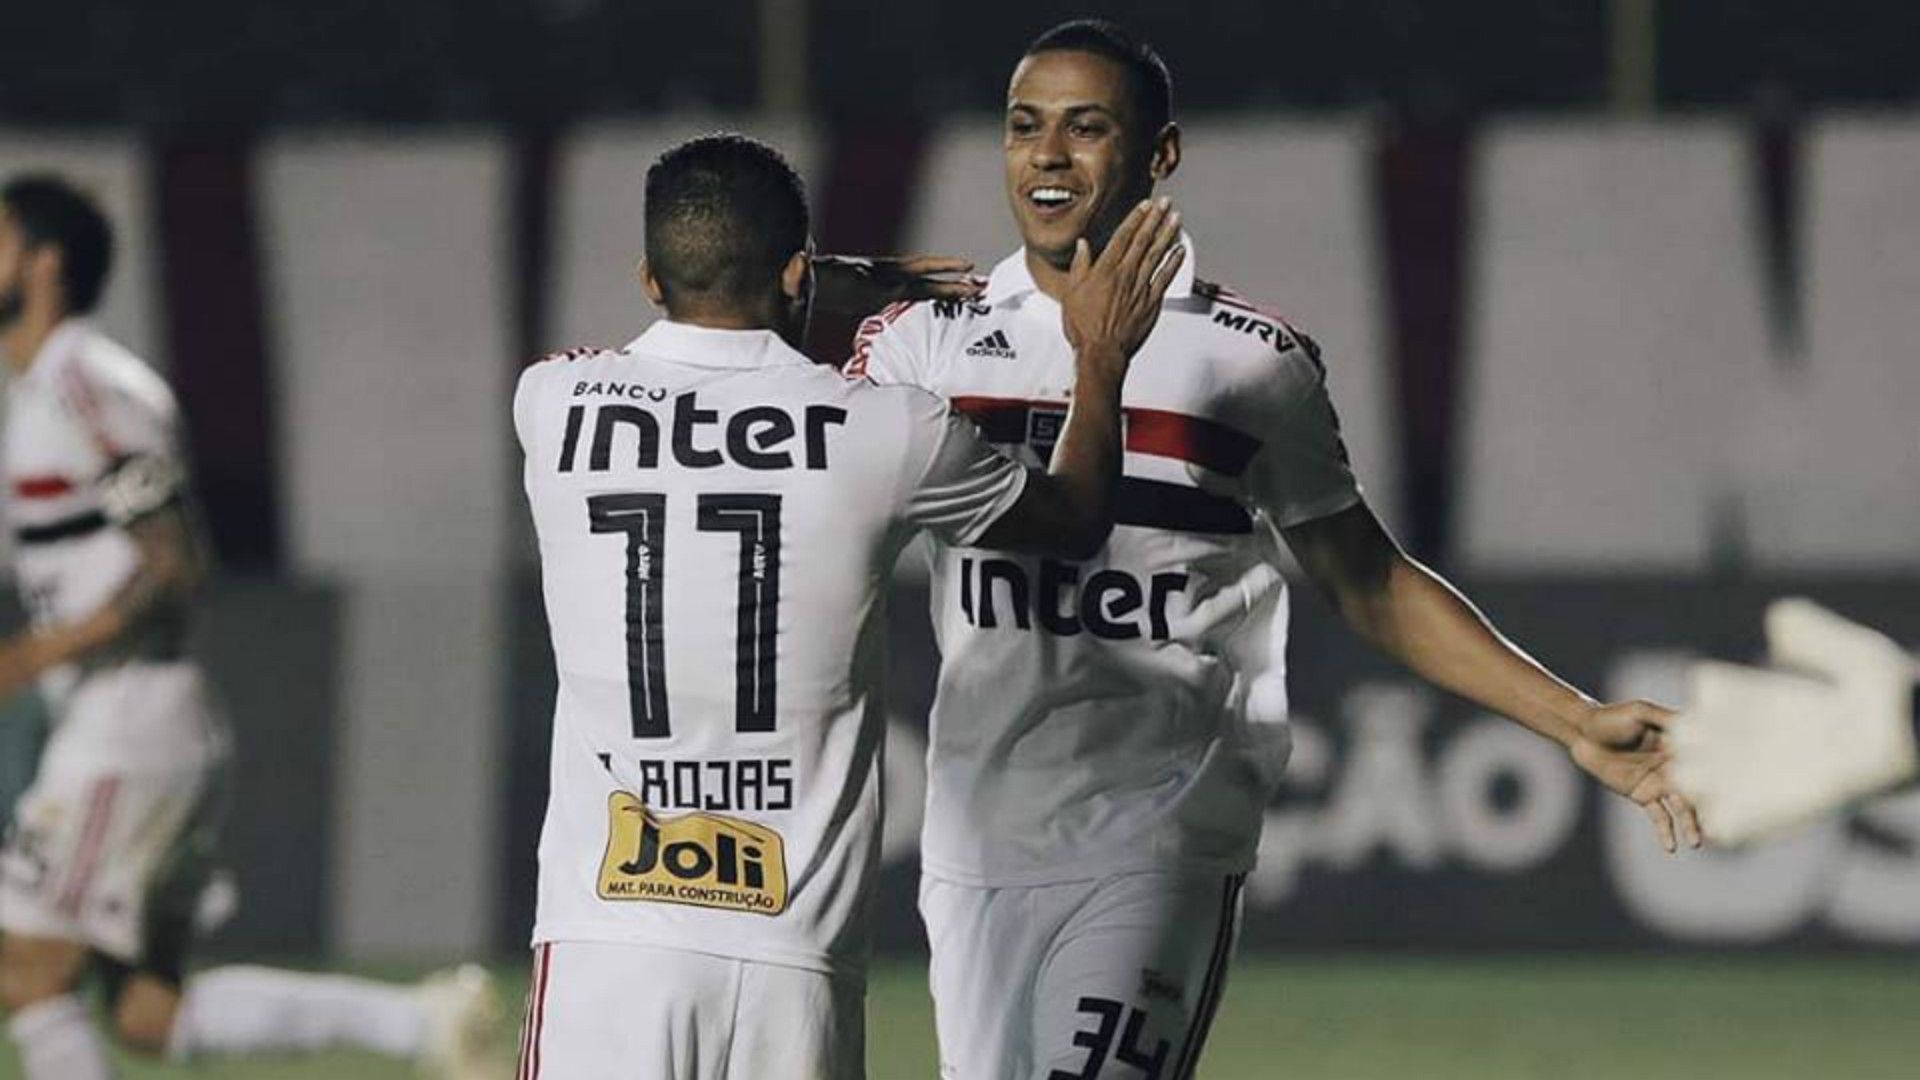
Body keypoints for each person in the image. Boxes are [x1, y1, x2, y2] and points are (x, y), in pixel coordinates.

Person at [838, 19, 1703, 1079]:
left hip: (1159, 833)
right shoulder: (927, 341)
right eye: (1025, 127)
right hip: (978, 839)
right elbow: (787, 456)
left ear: (1159, 155)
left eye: (1085, 127)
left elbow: (1366, 578)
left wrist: (1573, 720)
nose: (1047, 156)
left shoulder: (1248, 357)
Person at [511, 132, 1182, 1078]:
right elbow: (1074, 519)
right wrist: (1101, 357)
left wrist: (819, 284)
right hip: (796, 962)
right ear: (794, 270)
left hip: (609, 946)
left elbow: (687, 357)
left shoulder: (553, 401)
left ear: (650, 280)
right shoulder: (890, 426)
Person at [0, 173, 500, 1080]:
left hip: (127, 722)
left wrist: (41, 652)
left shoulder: (86, 384)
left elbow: (174, 560)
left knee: (24, 967)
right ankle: (418, 1026)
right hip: (125, 721)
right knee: (147, 1013)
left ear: (45, 262)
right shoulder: (46, 393)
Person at [1662, 598, 1919, 844]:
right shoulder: (1880, 676)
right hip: (1889, 753)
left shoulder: (1880, 673)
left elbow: (1783, 618)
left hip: (1889, 748)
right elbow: (1784, 620)